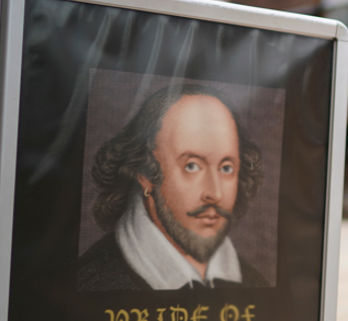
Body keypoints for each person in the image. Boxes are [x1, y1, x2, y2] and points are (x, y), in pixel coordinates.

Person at [77, 83, 269, 290]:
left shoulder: (254, 283)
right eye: (192, 166)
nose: (215, 193)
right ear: (145, 174)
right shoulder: (95, 281)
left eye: (226, 168)